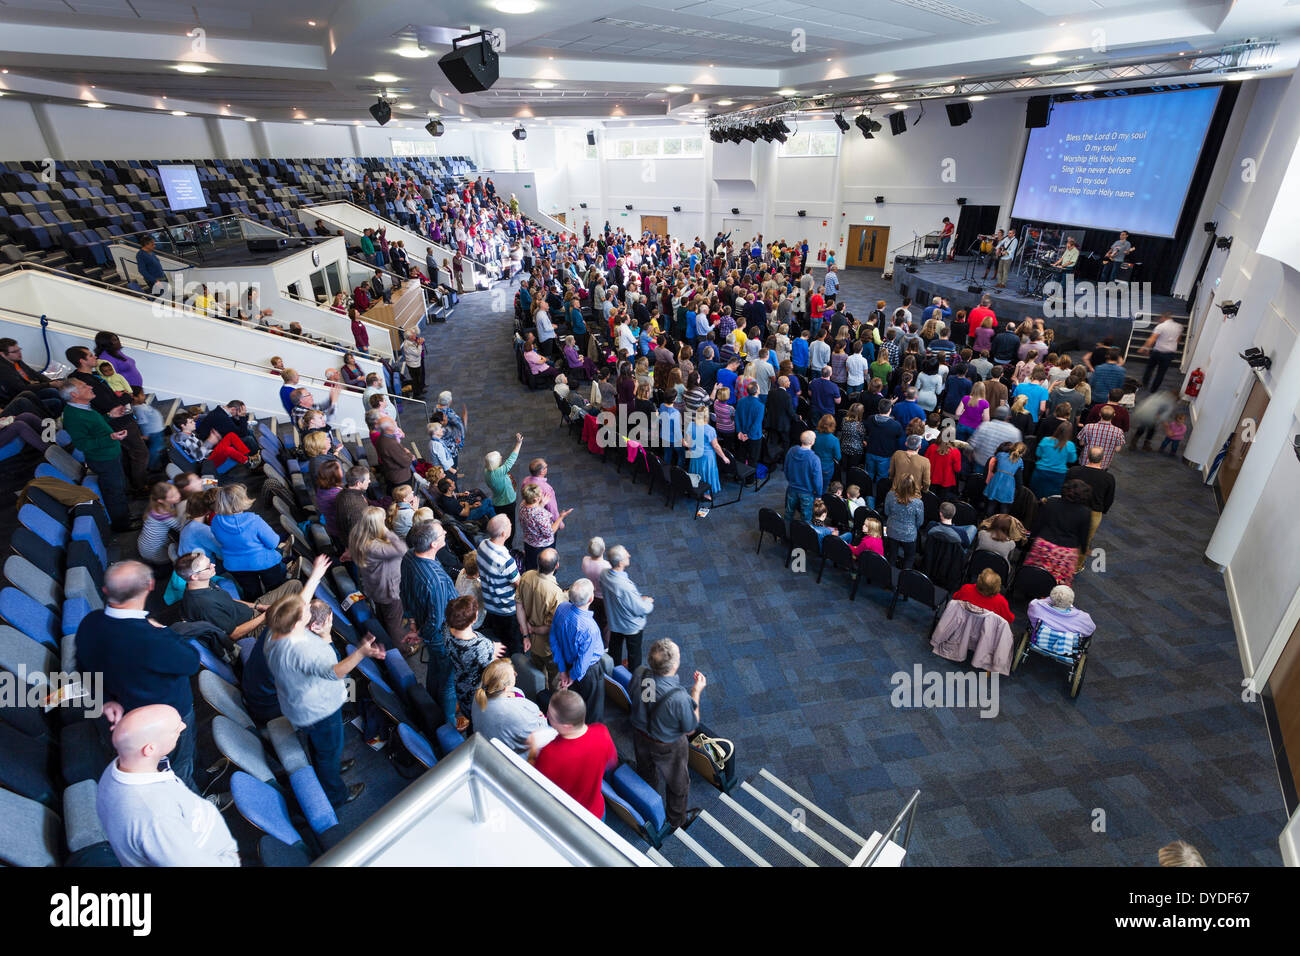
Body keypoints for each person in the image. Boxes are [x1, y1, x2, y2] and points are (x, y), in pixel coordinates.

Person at [76, 562, 201, 790]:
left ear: (105, 591)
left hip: (126, 716)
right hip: (168, 716)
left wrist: (105, 700)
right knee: (179, 767)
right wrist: (163, 630)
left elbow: (83, 667)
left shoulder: (89, 623)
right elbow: (191, 662)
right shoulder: (153, 639)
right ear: (150, 585)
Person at [265, 557, 378, 807]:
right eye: (305, 612)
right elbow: (335, 672)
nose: (307, 608)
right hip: (318, 711)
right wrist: (361, 652)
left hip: (298, 705)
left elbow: (297, 605)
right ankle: (337, 795)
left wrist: (315, 575)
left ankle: (331, 764)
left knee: (322, 748)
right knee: (327, 752)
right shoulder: (303, 650)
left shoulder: (274, 632)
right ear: (298, 624)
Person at [96, 704, 240, 867]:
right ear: (150, 749)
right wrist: (231, 860)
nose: (183, 726)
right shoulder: (156, 817)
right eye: (175, 729)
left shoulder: (120, 766)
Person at [628, 638, 704, 832]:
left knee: (646, 771)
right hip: (667, 745)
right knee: (679, 784)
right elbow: (690, 728)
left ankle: (649, 803)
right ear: (675, 665)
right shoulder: (679, 698)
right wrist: (695, 692)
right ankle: (676, 821)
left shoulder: (640, 673)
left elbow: (646, 697)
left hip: (640, 735)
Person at [400, 520, 460, 721]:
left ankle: (433, 703)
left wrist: (414, 624)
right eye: (441, 532)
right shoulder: (437, 581)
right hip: (440, 636)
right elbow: (437, 620)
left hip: (423, 625)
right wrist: (421, 634)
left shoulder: (409, 557)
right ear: (434, 544)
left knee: (435, 667)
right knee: (448, 681)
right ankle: (448, 724)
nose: (445, 532)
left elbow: (404, 591)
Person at [529, 690, 617, 821]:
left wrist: (532, 749)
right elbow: (611, 762)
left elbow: (535, 784)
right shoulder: (602, 732)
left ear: (567, 726)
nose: (546, 715)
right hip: (597, 812)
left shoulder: (549, 753)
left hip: (570, 817)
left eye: (551, 716)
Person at [59, 378, 131, 531]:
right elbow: (82, 444)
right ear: (74, 394)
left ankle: (126, 517)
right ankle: (122, 526)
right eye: (84, 386)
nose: (90, 386)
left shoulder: (83, 406)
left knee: (118, 488)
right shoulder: (73, 416)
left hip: (111, 453)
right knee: (114, 492)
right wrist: (110, 437)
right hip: (104, 459)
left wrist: (109, 415)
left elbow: (93, 426)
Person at [210, 483, 287, 599]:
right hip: (264, 561)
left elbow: (220, 540)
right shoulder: (254, 520)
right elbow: (273, 542)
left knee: (251, 593)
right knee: (276, 590)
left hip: (235, 565)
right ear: (242, 500)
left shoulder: (216, 521)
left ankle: (257, 612)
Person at [349, 507, 410, 652]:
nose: (385, 520)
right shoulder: (376, 547)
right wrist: (387, 531)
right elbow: (403, 549)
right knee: (394, 622)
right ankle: (402, 649)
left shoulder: (357, 535)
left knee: (384, 615)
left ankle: (386, 636)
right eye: (382, 520)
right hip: (389, 589)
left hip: (374, 585)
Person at [473, 659, 556, 756]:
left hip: (487, 747)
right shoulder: (519, 714)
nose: (516, 674)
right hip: (513, 756)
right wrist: (541, 718)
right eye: (513, 674)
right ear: (505, 688)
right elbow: (540, 736)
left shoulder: (478, 696)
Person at [446, 595, 505, 727]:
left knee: (469, 712)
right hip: (477, 693)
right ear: (473, 619)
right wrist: (492, 650)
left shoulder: (447, 631)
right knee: (478, 720)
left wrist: (490, 648)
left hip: (460, 683)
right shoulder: (480, 647)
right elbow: (492, 671)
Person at [1024, 479, 1094, 586]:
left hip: (1044, 546)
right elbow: (1083, 535)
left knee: (1035, 574)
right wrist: (1084, 550)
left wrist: (1032, 537)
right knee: (1058, 583)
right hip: (1066, 552)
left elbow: (1039, 523)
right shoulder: (1085, 513)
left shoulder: (1051, 503)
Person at [516, 547, 565, 685]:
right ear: (557, 566)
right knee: (555, 679)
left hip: (531, 642)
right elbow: (551, 627)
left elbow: (519, 606)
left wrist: (526, 633)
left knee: (537, 674)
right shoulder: (556, 593)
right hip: (548, 647)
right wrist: (534, 629)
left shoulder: (526, 576)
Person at [601, 544, 653, 669]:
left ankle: (614, 671)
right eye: (626, 555)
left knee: (615, 648)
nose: (629, 555)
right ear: (619, 563)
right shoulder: (625, 587)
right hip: (630, 626)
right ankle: (633, 676)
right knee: (634, 653)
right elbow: (641, 609)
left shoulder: (604, 574)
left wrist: (637, 600)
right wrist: (648, 602)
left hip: (614, 621)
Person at [1026, 585, 1097, 657]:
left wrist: (1051, 599)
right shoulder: (1083, 618)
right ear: (1071, 601)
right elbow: (1090, 630)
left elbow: (1033, 615)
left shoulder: (1036, 606)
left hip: (1039, 640)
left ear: (1051, 596)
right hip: (1066, 647)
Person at [484, 433, 524, 550]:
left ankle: (504, 542)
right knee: (510, 525)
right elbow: (512, 459)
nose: (502, 457)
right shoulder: (498, 473)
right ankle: (508, 546)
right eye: (499, 457)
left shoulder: (487, 471)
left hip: (498, 502)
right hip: (507, 503)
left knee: (502, 524)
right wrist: (518, 443)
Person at [883, 474, 924, 568]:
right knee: (909, 558)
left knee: (892, 555)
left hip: (892, 530)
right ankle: (904, 581)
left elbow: (886, 512)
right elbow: (920, 522)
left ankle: (888, 578)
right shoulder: (918, 503)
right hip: (909, 534)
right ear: (913, 486)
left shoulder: (890, 495)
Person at [783, 430, 822, 523]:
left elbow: (786, 469)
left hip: (792, 488)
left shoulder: (791, 451)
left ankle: (786, 534)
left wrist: (791, 481)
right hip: (807, 492)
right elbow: (818, 480)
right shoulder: (814, 459)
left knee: (788, 514)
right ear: (812, 442)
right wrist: (818, 495)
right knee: (806, 517)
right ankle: (802, 536)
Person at [1137, 313, 1182, 393]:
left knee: (1149, 369)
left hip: (1158, 351)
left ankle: (1144, 384)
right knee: (1161, 372)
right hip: (1170, 353)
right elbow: (1178, 340)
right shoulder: (1179, 326)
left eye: (1159, 319)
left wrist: (1145, 348)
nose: (1159, 320)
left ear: (1163, 317)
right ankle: (1153, 390)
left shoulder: (1161, 326)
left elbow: (1152, 338)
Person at [1030, 422, 1077, 498]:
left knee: (1036, 497)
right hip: (1058, 476)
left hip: (1041, 472)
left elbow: (1038, 454)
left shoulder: (1045, 440)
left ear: (1058, 429)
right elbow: (1072, 460)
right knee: (1053, 499)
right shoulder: (1070, 445)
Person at [984, 441, 1026, 515]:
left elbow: (995, 463)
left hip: (996, 482)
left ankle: (987, 521)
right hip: (1008, 486)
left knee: (991, 505)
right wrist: (1020, 491)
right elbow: (1019, 479)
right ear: (1022, 453)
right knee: (1004, 508)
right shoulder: (1020, 461)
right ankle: (1001, 524)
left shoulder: (1000, 455)